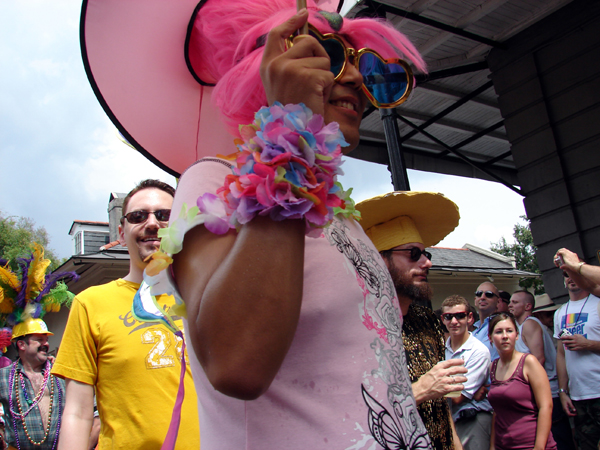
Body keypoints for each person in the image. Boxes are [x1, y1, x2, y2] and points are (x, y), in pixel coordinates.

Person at [135, 0, 436, 448]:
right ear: (272, 66)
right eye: (330, 56)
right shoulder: (214, 179)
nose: (354, 78)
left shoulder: (342, 215)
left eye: (365, 66)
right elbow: (235, 364)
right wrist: (290, 136)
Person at [52, 180, 200, 450]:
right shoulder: (91, 304)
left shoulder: (207, 299)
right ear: (121, 232)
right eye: (138, 216)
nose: (152, 223)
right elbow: (78, 412)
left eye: (164, 215)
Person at [357, 191, 466, 450]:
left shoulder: (427, 320)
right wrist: (418, 391)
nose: (427, 262)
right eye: (413, 253)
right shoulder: (359, 327)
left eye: (426, 253)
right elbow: (354, 412)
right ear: (379, 260)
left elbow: (441, 404)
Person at [509, 290, 575, 450]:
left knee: (559, 442)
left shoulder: (530, 324)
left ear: (528, 306)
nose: (510, 305)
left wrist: (519, 386)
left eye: (515, 302)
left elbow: (539, 359)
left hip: (548, 394)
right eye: (510, 302)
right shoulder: (521, 326)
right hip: (539, 393)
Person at [488, 312, 557, 450]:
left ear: (517, 335)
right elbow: (498, 411)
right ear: (490, 338)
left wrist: (539, 447)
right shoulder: (493, 367)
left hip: (531, 443)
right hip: (504, 444)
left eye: (509, 331)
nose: (505, 336)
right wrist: (492, 445)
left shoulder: (529, 362)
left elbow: (546, 406)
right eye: (499, 332)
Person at [0, 319, 66, 450]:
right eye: (39, 340)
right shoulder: (3, 376)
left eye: (46, 340)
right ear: (21, 344)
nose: (46, 344)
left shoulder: (60, 374)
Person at [553, 268, 600, 450]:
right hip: (579, 395)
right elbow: (561, 354)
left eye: (574, 273)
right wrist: (563, 391)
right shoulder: (560, 313)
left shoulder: (597, 304)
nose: (570, 278)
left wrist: (588, 344)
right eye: (566, 275)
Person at [441, 295, 493, 450]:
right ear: (443, 320)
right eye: (448, 317)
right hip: (447, 422)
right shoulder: (439, 349)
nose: (454, 322)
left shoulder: (479, 351)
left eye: (460, 316)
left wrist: (433, 386)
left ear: (470, 317)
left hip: (472, 420)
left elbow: (458, 398)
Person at [472, 282, 500, 360]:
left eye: (489, 294)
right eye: (479, 294)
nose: (482, 297)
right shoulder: (473, 331)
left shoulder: (501, 325)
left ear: (498, 302)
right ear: (475, 300)